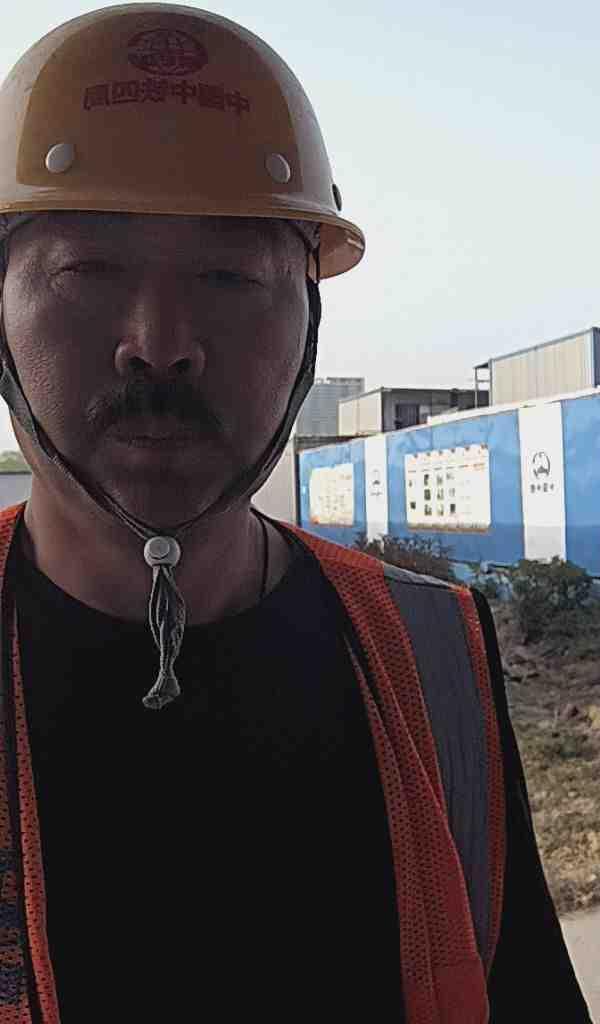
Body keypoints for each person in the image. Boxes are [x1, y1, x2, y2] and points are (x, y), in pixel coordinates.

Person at [0, 5, 592, 1022]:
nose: (161, 343)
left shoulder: (436, 658)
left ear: (310, 317)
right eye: (87, 269)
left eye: (230, 276)